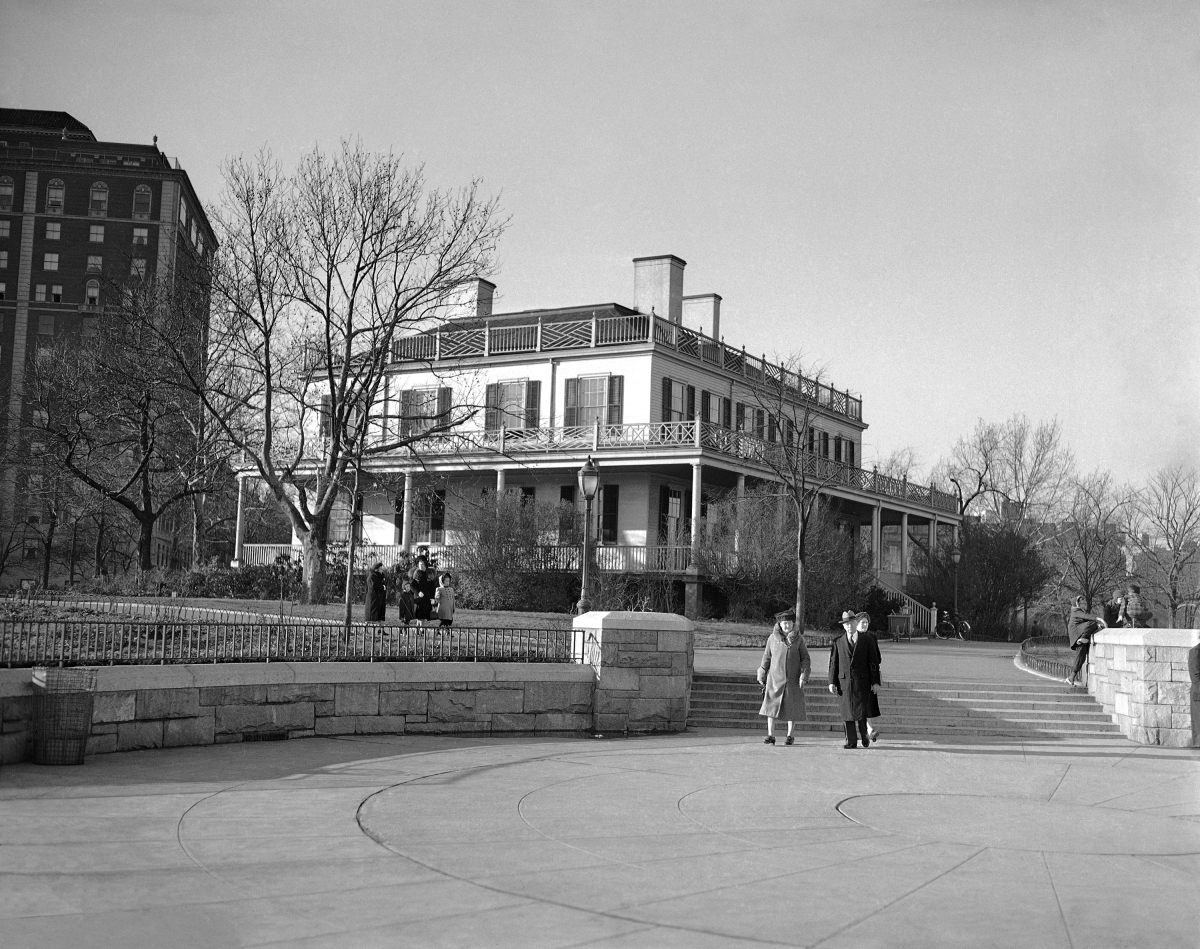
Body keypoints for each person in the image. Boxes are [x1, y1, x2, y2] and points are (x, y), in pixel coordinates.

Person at [756, 608, 811, 745]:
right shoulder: (772, 638)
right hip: (774, 679)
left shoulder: (799, 639)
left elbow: (805, 658)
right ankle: (771, 735)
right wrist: (762, 672)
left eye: (789, 623)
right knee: (771, 708)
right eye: (784, 623)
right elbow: (766, 657)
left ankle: (790, 735)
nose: (787, 626)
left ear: (793, 624)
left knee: (792, 709)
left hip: (793, 680)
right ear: (779, 625)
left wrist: (804, 675)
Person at [828, 610, 882, 749]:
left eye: (851, 623)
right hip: (844, 682)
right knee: (847, 712)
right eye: (846, 624)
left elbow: (873, 662)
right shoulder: (838, 642)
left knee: (861, 712)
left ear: (856, 623)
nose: (849, 626)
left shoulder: (867, 640)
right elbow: (834, 663)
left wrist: (875, 682)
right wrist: (831, 681)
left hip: (862, 682)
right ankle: (851, 741)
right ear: (844, 626)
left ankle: (864, 735)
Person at [1066, 595, 1106, 687]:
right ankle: (1083, 638)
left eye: (1082, 602)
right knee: (1092, 622)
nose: (1081, 603)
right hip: (1077, 635)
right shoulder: (1076, 611)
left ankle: (1071, 677)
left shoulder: (1078, 611)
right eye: (1079, 602)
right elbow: (1087, 617)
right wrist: (1098, 619)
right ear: (1076, 603)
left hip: (1078, 636)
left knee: (1081, 657)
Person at [409, 555, 438, 627]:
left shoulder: (430, 573)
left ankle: (417, 631)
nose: (420, 566)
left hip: (427, 599)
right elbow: (412, 586)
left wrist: (432, 597)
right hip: (419, 599)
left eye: (422, 564)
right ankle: (422, 631)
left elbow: (432, 587)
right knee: (420, 616)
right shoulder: (416, 574)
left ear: (425, 564)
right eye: (419, 564)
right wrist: (418, 592)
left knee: (423, 617)